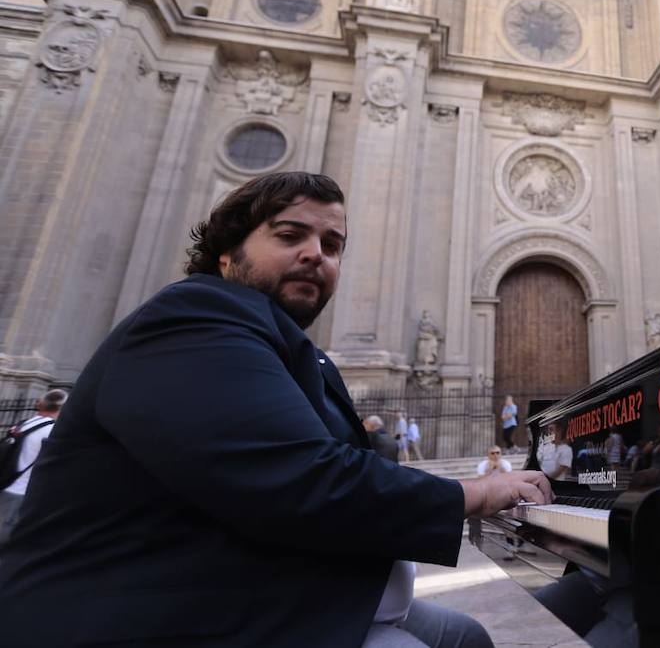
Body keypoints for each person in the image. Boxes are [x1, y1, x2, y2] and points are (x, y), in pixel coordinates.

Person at [0, 172, 552, 647]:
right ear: (226, 253)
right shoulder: (194, 317)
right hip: (162, 609)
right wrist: (471, 493)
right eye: (290, 235)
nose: (316, 252)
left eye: (332, 245)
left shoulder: (291, 349)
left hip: (267, 585)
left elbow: (329, 464)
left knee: (466, 635)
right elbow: (294, 475)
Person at [0, 389, 66, 545]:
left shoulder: (23, 424)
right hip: (23, 490)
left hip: (7, 483)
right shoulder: (52, 431)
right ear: (61, 408)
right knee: (8, 535)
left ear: (40, 404)